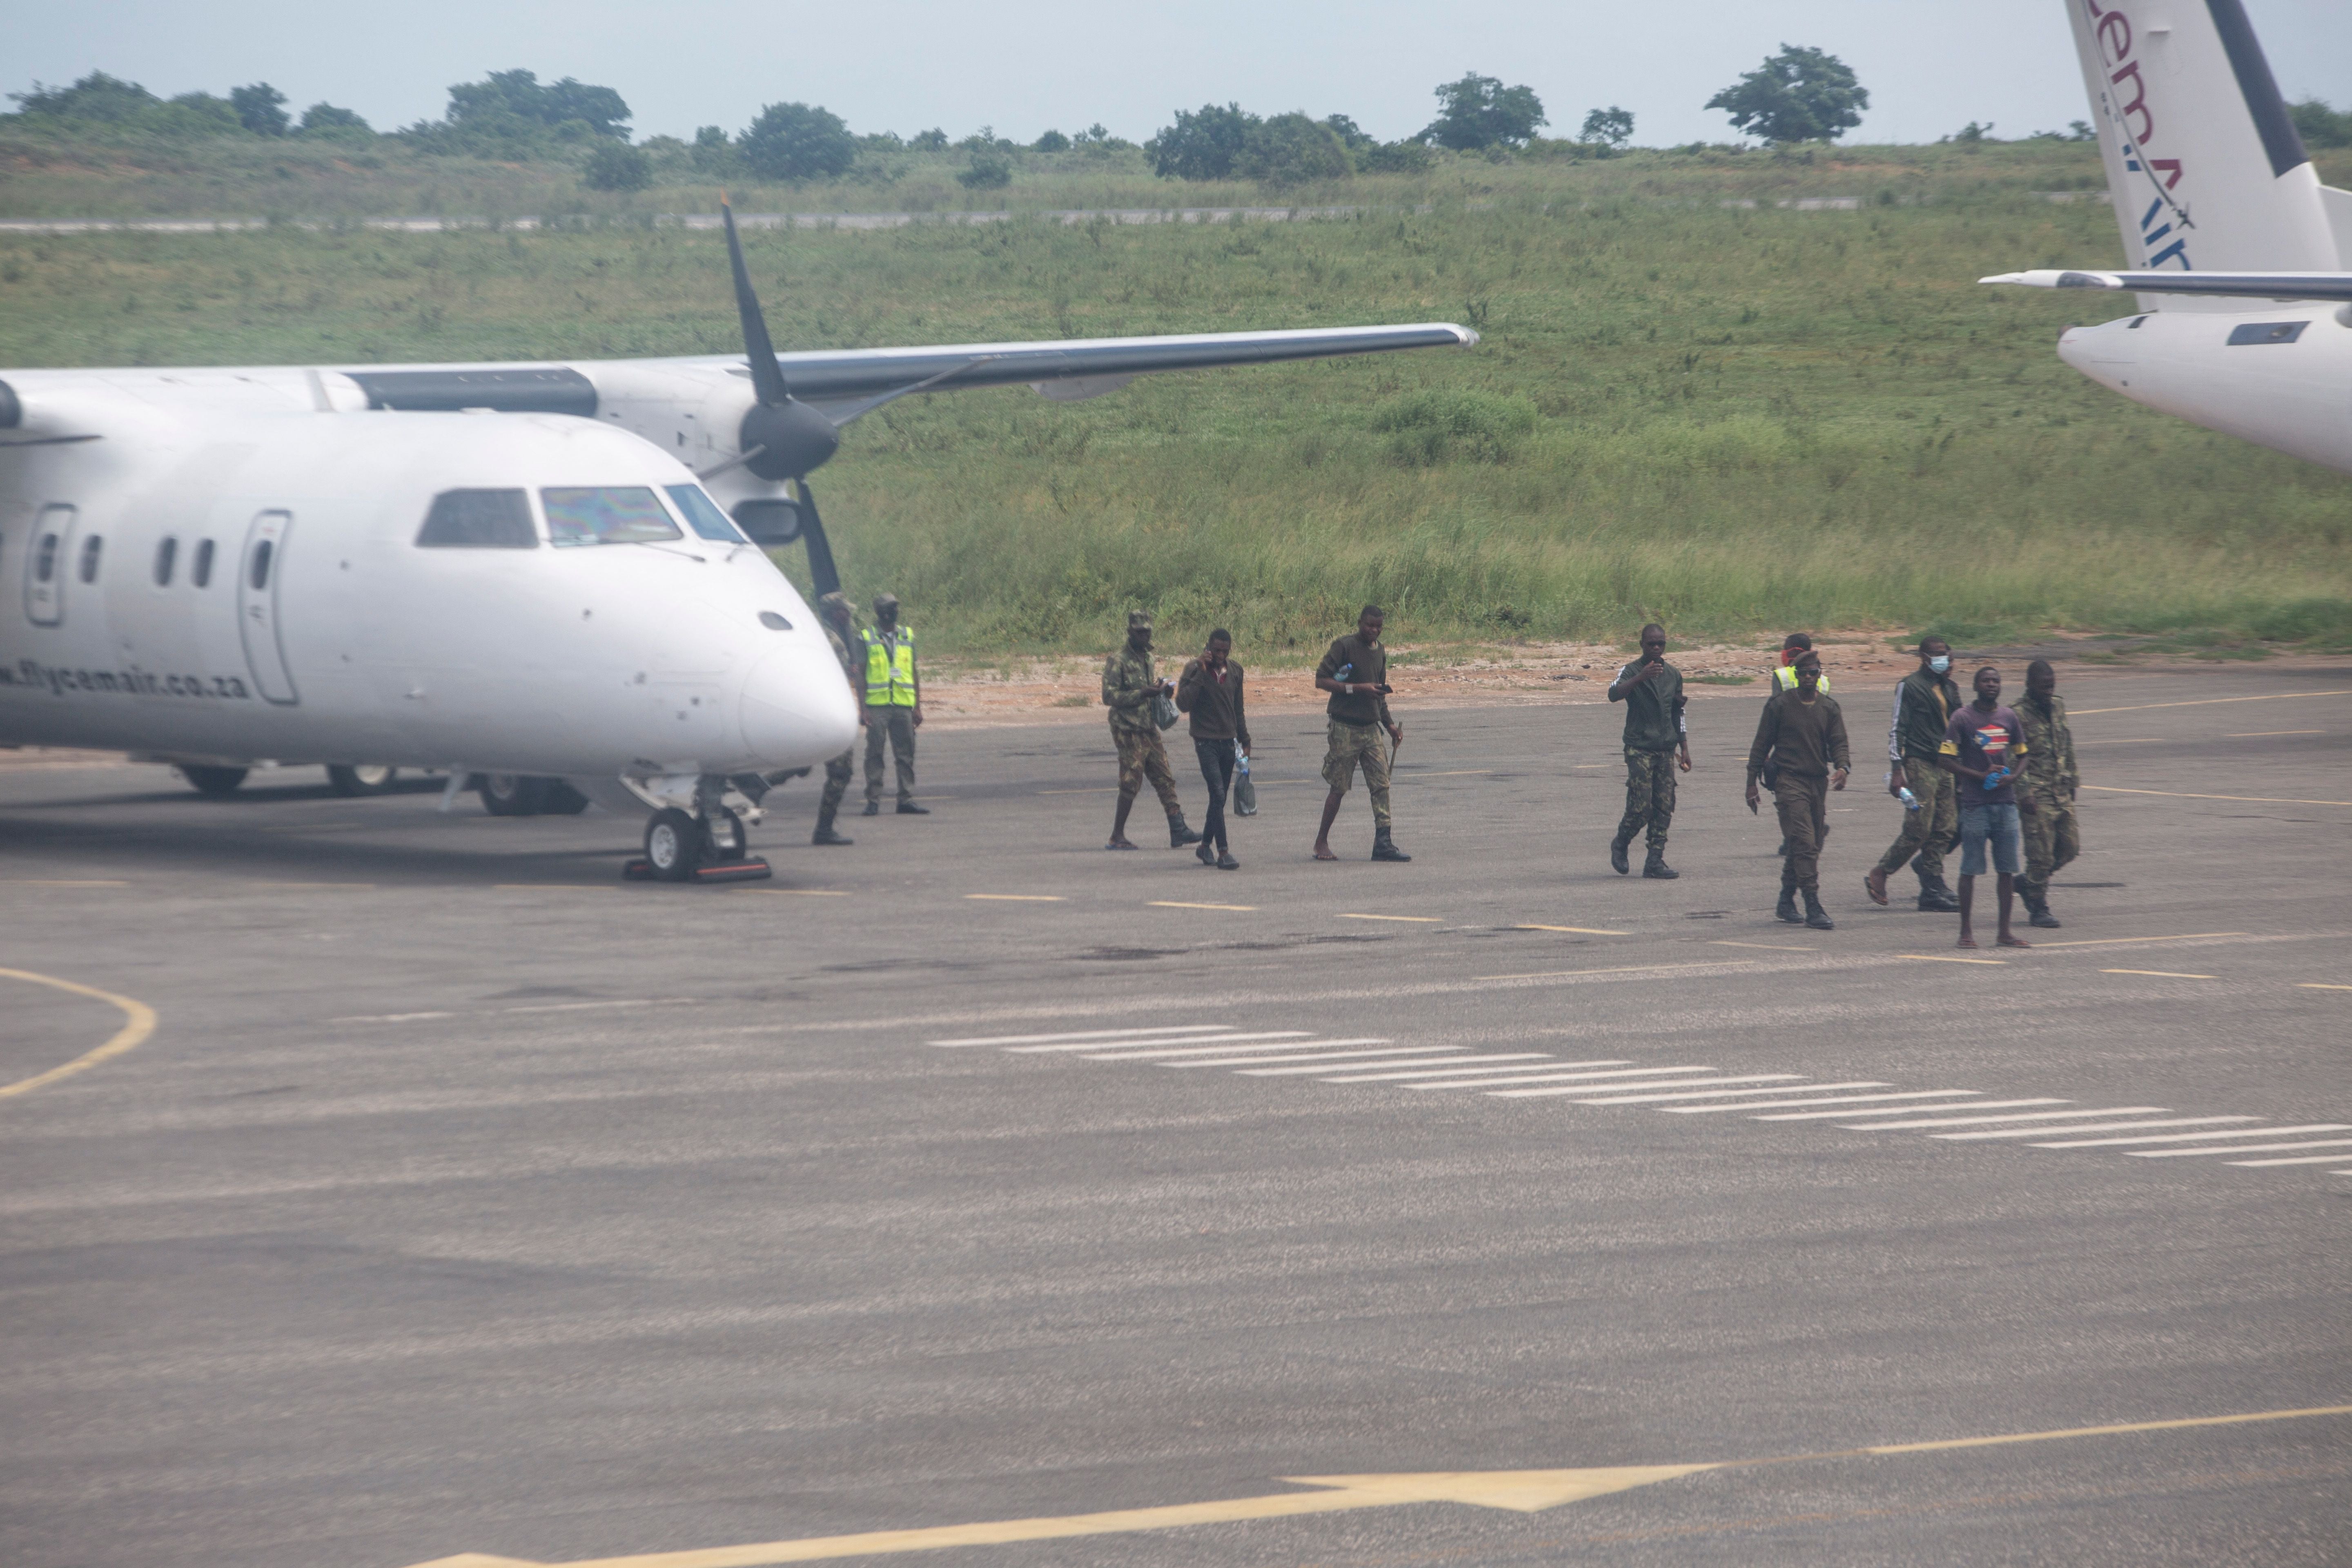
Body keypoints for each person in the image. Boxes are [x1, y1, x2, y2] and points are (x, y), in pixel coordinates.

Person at [1745, 649, 1849, 930]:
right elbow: (1761, 745)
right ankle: (1812, 905)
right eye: (1802, 673)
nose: (1807, 678)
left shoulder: (1829, 708)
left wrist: (1843, 767)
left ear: (1820, 674)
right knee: (1804, 841)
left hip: (1818, 782)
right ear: (1795, 675)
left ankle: (1785, 900)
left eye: (1813, 673)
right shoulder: (1779, 705)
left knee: (1809, 844)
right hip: (1788, 782)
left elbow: (1839, 742)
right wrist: (1751, 784)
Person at [1864, 635, 1963, 912]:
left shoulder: (1951, 688)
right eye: (1936, 654)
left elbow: (1959, 728)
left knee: (1945, 827)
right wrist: (1898, 770)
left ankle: (1932, 884)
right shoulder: (1910, 687)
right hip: (1920, 761)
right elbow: (1897, 729)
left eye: (1945, 653)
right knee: (1919, 826)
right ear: (1923, 657)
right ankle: (1882, 872)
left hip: (1947, 764)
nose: (1942, 658)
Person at [1937, 665, 2032, 949]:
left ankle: (2004, 932)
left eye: (1996, 681)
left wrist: (2014, 777)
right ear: (1976, 686)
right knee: (1970, 870)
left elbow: (2023, 753)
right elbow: (1945, 759)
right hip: (1976, 805)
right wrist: (1978, 776)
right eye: (1986, 681)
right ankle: (1966, 932)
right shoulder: (1962, 718)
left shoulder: (2008, 717)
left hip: (2005, 805)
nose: (1991, 685)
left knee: (2007, 870)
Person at [1313, 605, 1409, 862]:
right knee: (1339, 787)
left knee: (1381, 784)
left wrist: (1388, 725)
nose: (1374, 631)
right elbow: (1321, 680)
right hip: (1345, 727)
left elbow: (1379, 694)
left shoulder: (1381, 652)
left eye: (1379, 627)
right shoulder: (1344, 647)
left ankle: (1384, 843)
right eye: (1370, 625)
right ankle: (1321, 841)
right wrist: (1357, 689)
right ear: (1359, 623)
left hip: (1371, 729)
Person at [1101, 611, 1201, 851]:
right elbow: (1109, 696)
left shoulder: (1148, 658)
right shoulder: (1118, 660)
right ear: (1130, 632)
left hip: (1147, 726)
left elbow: (1148, 691)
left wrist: (1162, 692)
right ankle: (1117, 835)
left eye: (1147, 632)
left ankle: (1178, 829)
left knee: (1163, 775)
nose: (1144, 636)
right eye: (1140, 632)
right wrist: (1142, 693)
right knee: (1131, 779)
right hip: (1127, 728)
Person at [1606, 622, 1691, 879]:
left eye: (1661, 644)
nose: (1656, 648)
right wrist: (1640, 677)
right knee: (1640, 807)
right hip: (1640, 748)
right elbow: (1613, 694)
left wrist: (1684, 746)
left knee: (1664, 805)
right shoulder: (1631, 670)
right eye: (1651, 644)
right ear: (1642, 644)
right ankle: (1621, 842)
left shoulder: (1674, 675)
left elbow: (1679, 711)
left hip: (1666, 748)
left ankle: (1655, 860)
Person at [1176, 628, 1250, 870]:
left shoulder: (1236, 671)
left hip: (1228, 742)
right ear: (1208, 647)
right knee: (1218, 794)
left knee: (1219, 798)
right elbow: (1183, 704)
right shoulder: (1194, 669)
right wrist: (1200, 671)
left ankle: (1204, 845)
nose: (1220, 655)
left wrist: (1245, 739)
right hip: (1205, 741)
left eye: (1225, 651)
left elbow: (1238, 709)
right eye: (1216, 650)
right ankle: (1224, 852)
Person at [2015, 658, 2080, 929]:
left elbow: (2066, 744)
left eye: (2052, 686)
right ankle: (2038, 906)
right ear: (2029, 685)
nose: (2048, 691)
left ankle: (2028, 882)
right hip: (2036, 794)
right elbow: (2013, 757)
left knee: (2070, 848)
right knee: (2039, 854)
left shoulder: (2058, 706)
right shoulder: (2016, 715)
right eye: (2043, 686)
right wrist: (2024, 793)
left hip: (2060, 790)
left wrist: (2074, 781)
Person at [859, 592, 925, 816]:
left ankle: (906, 799)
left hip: (903, 705)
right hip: (877, 707)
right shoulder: (866, 637)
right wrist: (863, 708)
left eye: (896, 607)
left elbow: (913, 672)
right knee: (875, 754)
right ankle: (873, 800)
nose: (896, 611)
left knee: (906, 754)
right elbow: (860, 676)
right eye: (891, 608)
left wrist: (917, 707)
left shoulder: (907, 635)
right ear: (881, 612)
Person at [812, 592, 861, 846]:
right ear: (835, 613)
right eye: (844, 611)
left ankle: (759, 786)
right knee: (841, 772)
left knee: (801, 762)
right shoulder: (835, 642)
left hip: (815, 712)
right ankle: (824, 829)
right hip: (829, 715)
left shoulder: (818, 634)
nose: (849, 615)